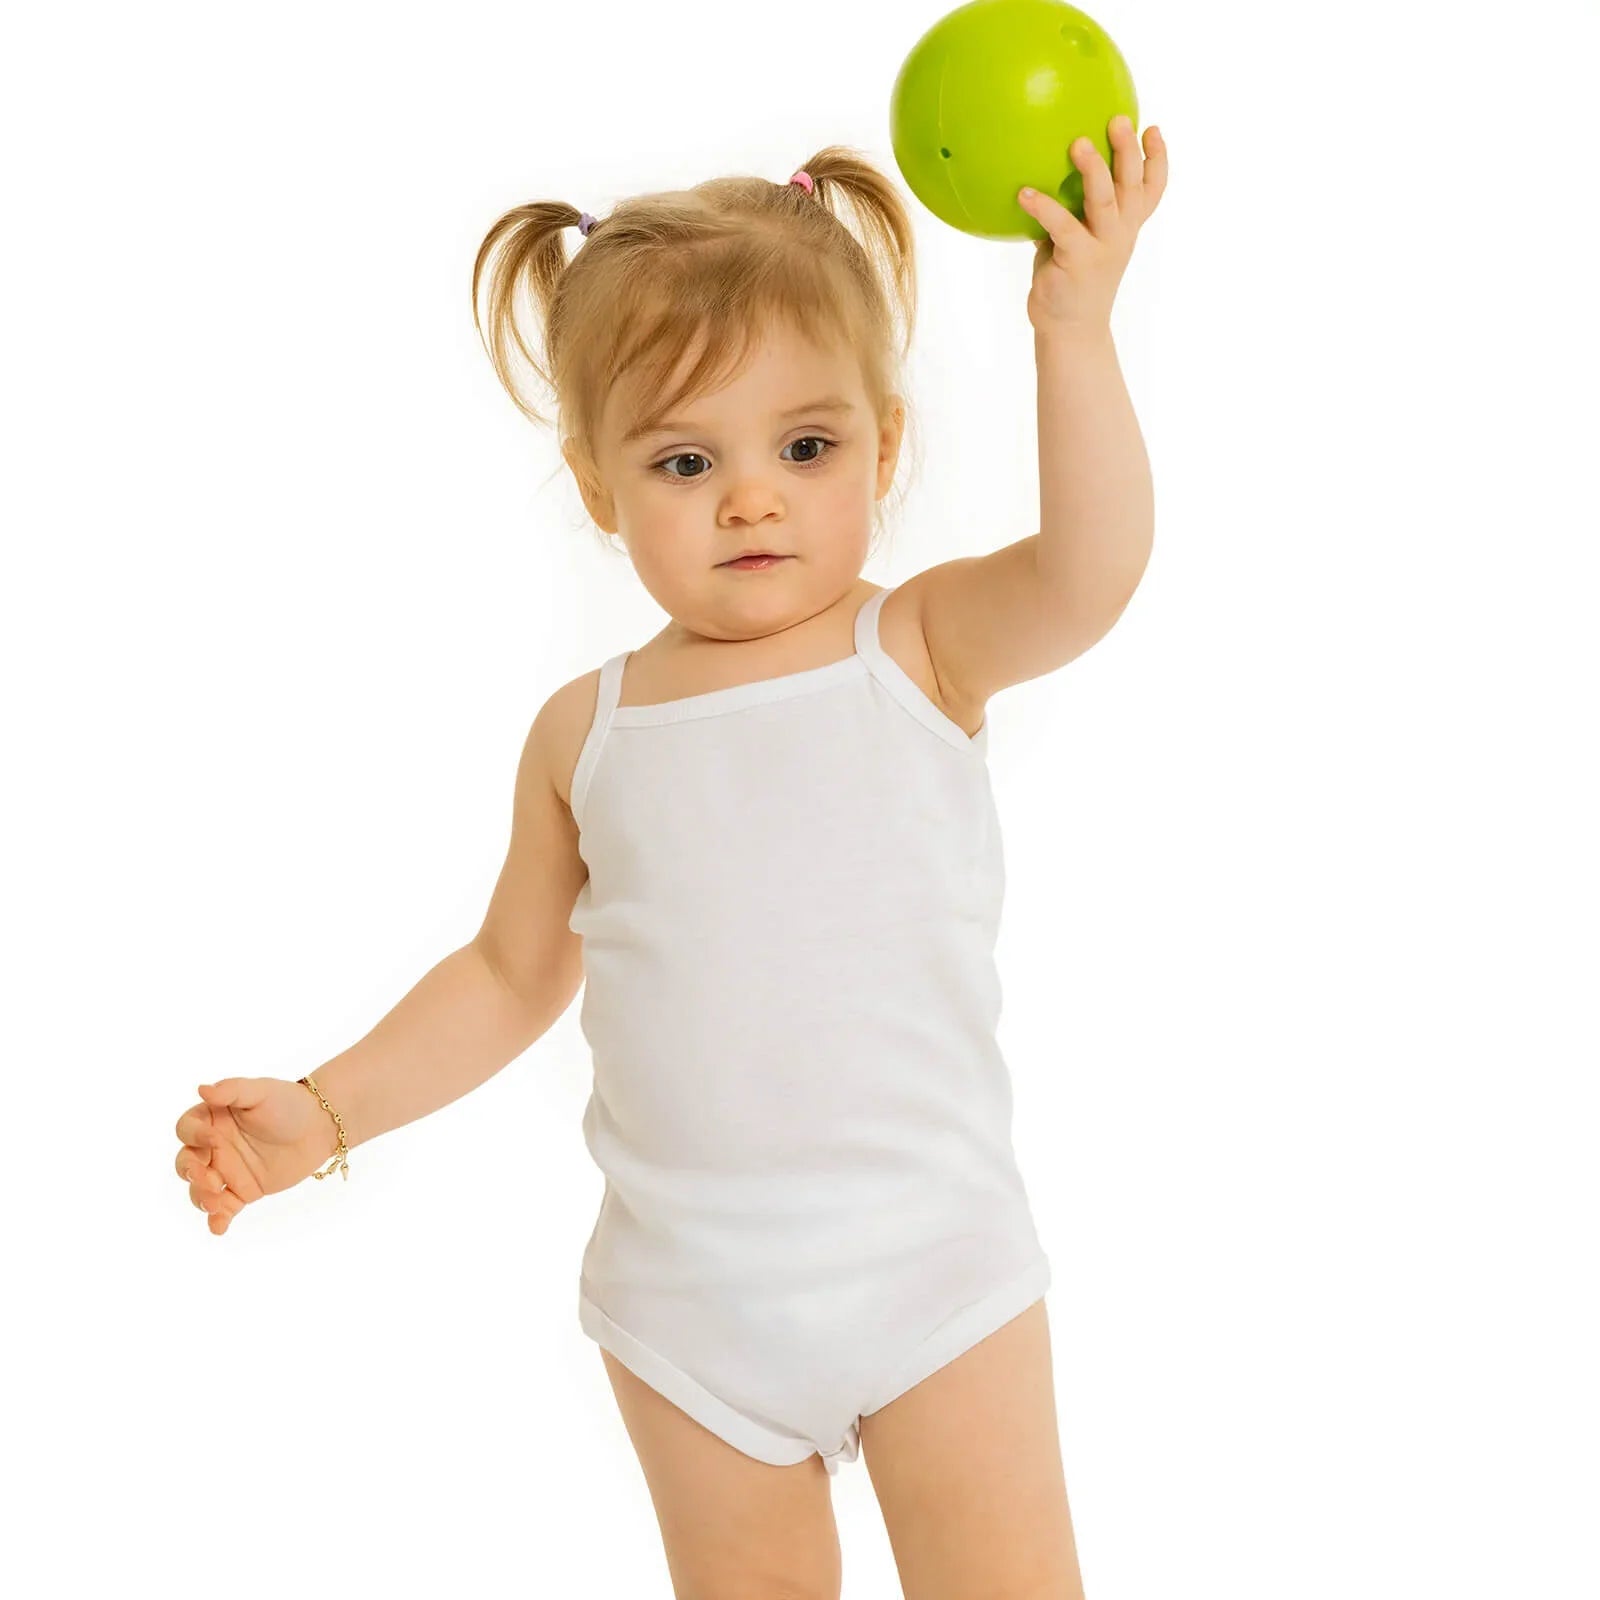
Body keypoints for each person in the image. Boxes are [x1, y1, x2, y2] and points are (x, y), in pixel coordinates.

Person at [173, 126, 1166, 1599]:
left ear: (886, 446)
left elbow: (1091, 573)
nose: (751, 498)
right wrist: (324, 1110)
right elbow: (508, 974)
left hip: (932, 1274)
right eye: (686, 462)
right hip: (690, 1315)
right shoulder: (587, 732)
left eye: (806, 448)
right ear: (598, 488)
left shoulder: (917, 647)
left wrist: (1071, 330)